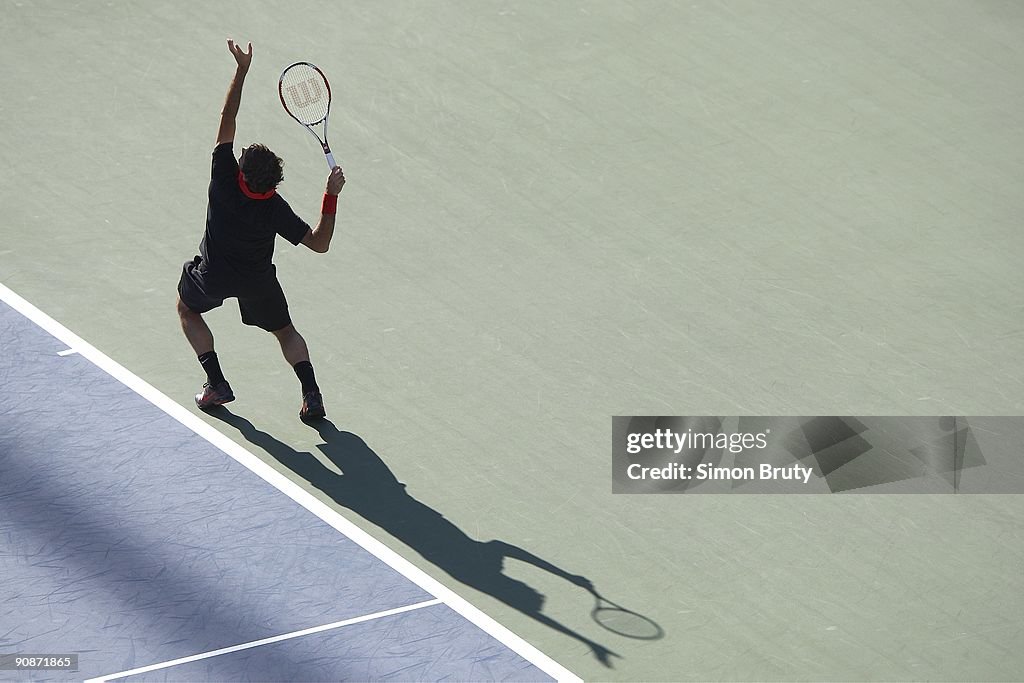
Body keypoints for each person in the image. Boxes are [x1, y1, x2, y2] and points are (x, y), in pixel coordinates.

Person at [176, 39, 345, 420]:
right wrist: (330, 195)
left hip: (214, 275)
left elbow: (227, 117)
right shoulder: (274, 207)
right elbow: (319, 244)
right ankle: (312, 393)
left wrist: (242, 70)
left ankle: (216, 382)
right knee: (286, 332)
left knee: (187, 308)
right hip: (258, 283)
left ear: (242, 173)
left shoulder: (223, 175)